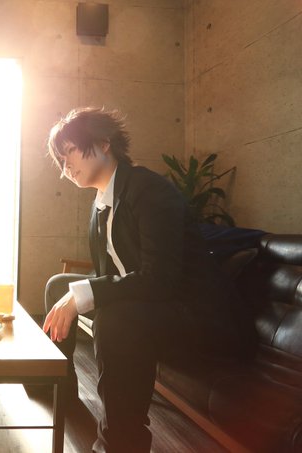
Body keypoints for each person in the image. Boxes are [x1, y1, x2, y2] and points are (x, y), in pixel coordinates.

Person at [41, 107, 244, 452]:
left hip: (195, 316)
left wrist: (85, 295)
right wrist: (77, 293)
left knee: (115, 318)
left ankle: (119, 443)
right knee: (58, 286)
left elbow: (160, 278)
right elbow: (111, 276)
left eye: (69, 152)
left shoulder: (148, 189)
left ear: (104, 143)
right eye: (60, 161)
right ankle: (61, 391)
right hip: (152, 305)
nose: (65, 168)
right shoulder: (100, 205)